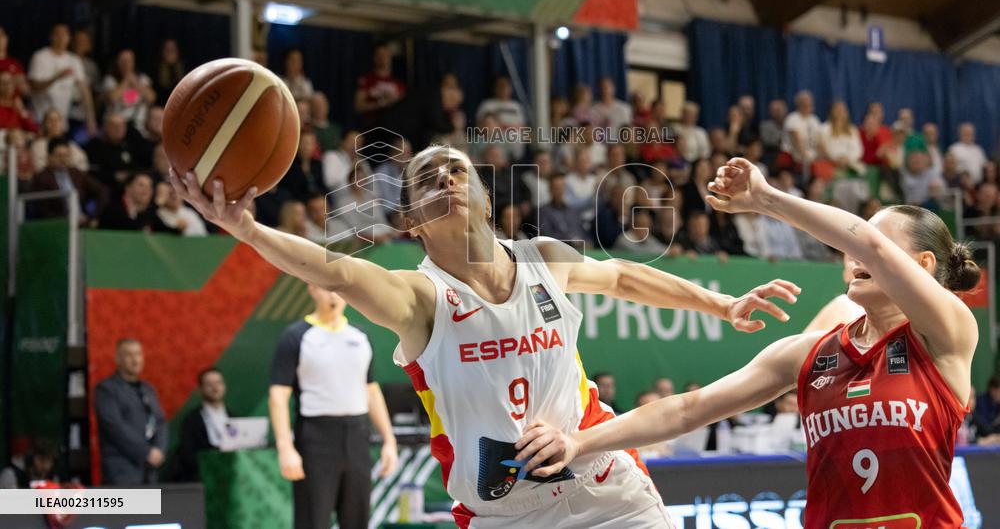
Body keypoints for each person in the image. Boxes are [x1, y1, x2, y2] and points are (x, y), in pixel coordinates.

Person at [170, 144, 797, 528]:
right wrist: (248, 230)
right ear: (413, 222)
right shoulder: (418, 300)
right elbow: (330, 267)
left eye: (456, 170)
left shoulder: (543, 259)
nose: (445, 178)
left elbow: (628, 277)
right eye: (427, 179)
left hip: (606, 488)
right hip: (504, 514)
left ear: (484, 198)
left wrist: (723, 302)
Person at [516, 157, 980, 528]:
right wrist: (578, 442)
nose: (856, 250)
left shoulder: (945, 334)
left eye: (872, 240)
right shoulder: (808, 354)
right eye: (852, 243)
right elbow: (687, 410)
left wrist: (767, 199)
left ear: (921, 266)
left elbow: (872, 248)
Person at [269, 285, 399, 529]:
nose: (333, 296)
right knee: (313, 519)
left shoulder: (359, 336)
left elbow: (370, 389)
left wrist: (389, 440)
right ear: (312, 289)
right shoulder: (297, 336)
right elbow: (278, 395)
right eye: (327, 289)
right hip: (316, 437)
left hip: (357, 435)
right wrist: (285, 447)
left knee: (357, 517)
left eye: (338, 290)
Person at [94, 339, 167, 484]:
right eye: (129, 355)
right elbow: (114, 426)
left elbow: (160, 422)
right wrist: (146, 452)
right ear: (118, 359)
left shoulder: (148, 389)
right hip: (122, 470)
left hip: (149, 471)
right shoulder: (106, 389)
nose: (135, 360)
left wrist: (159, 450)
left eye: (138, 354)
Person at [27, 23, 96, 137]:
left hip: (61, 123)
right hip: (40, 120)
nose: (61, 38)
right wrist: (56, 77)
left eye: (64, 35)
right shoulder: (40, 56)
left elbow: (85, 92)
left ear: (69, 38)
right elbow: (34, 86)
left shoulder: (74, 60)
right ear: (51, 37)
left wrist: (91, 120)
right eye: (57, 34)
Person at [28, 138, 108, 222]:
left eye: (66, 155)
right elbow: (42, 210)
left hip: (83, 223)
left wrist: (94, 216)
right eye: (59, 156)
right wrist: (66, 220)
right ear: (49, 157)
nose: (63, 160)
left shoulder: (76, 173)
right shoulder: (41, 178)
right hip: (58, 226)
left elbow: (102, 190)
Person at [175, 368, 230, 481]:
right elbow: (187, 454)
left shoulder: (233, 418)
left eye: (218, 383)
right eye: (209, 384)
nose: (215, 388)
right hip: (202, 478)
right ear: (200, 389)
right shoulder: (192, 420)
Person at [101, 49, 156, 129]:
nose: (125, 64)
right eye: (122, 61)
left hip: (138, 124)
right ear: (117, 62)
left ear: (133, 62)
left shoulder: (142, 79)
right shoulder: (110, 80)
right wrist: (126, 81)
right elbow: (112, 97)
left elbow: (151, 98)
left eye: (128, 61)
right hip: (118, 124)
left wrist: (136, 83)